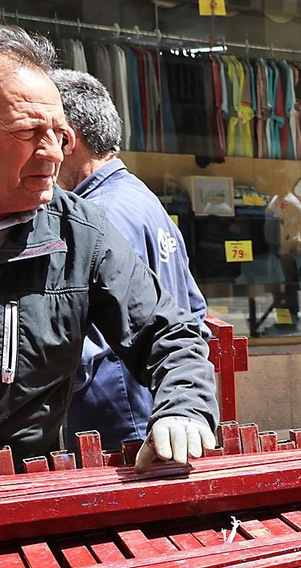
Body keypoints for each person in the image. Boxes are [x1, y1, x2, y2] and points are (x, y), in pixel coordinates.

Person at [0, 23, 217, 492]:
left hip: (22, 491)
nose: (52, 154)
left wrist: (184, 407)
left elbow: (169, 332)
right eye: (27, 132)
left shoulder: (81, 231)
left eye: (59, 134)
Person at [53, 69, 210, 450]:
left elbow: (84, 347)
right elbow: (193, 310)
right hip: (153, 403)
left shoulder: (96, 214)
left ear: (66, 139)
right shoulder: (138, 194)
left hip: (119, 415)